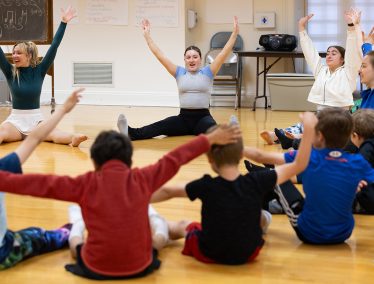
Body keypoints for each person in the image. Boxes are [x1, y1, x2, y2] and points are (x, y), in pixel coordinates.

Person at [0, 124, 240, 279]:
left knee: (75, 243)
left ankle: (76, 224)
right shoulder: (142, 179)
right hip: (141, 266)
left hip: (95, 267)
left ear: (95, 162)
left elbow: (37, 184)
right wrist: (209, 140)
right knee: (157, 239)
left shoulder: (84, 183)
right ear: (129, 160)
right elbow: (176, 158)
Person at [149, 112, 316, 264]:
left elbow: (168, 191)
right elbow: (299, 164)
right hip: (249, 253)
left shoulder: (206, 185)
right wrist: (308, 130)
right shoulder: (257, 180)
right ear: (240, 155)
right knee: (257, 214)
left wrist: (137, 197)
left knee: (182, 225)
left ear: (209, 159)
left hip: (210, 253)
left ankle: (162, 232)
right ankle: (263, 219)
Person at [246, 108, 374, 244]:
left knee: (276, 178)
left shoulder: (308, 157)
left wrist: (236, 147)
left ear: (319, 135)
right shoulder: (358, 162)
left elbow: (260, 156)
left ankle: (259, 219)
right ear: (349, 135)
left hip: (309, 232)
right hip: (343, 234)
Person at [117, 17, 240, 140]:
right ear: (184, 60)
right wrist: (147, 36)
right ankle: (129, 132)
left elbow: (224, 53)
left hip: (203, 119)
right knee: (161, 125)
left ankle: (230, 133)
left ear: (200, 59)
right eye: (188, 57)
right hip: (183, 119)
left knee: (214, 131)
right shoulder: (179, 72)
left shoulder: (208, 71)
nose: (191, 60)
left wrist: (234, 34)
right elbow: (160, 55)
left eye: (195, 57)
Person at [0, 88, 83, 269]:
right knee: (39, 235)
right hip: (3, 252)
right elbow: (34, 138)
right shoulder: (2, 169)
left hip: (32, 120)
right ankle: (70, 230)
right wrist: (62, 110)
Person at [260, 9, 363, 145]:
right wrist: (301, 29)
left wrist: (351, 27)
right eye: (327, 53)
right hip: (321, 115)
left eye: (334, 53)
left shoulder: (348, 72)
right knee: (305, 123)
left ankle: (293, 138)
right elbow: (310, 53)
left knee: (317, 128)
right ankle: (281, 136)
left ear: (342, 59)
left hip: (339, 117)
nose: (329, 55)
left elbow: (352, 52)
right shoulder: (321, 71)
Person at [0, 6, 87, 147]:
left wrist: (63, 23)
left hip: (36, 121)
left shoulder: (39, 70)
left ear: (29, 55)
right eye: (14, 52)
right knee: (1, 132)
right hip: (15, 122)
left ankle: (73, 138)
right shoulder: (10, 72)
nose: (14, 55)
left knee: (55, 133)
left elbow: (54, 46)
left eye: (18, 53)